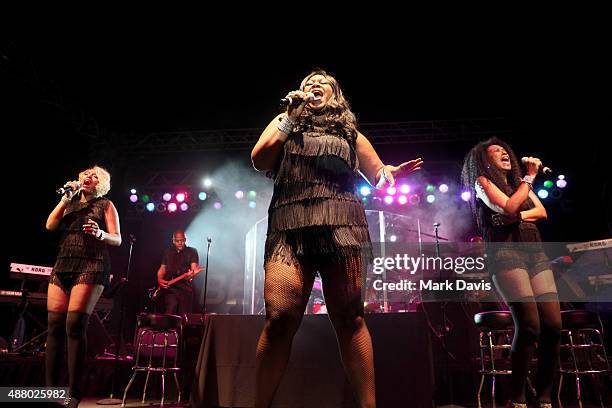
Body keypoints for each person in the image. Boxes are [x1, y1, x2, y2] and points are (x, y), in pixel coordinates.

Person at [251, 69, 423, 408]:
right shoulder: (285, 120)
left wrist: (389, 174)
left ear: (336, 94)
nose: (313, 85)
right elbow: (260, 160)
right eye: (307, 83)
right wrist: (288, 117)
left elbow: (377, 174)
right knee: (280, 318)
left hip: (342, 225)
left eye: (322, 83)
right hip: (290, 225)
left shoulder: (350, 132)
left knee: (350, 317)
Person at [461, 138, 560, 408]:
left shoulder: (519, 184)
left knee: (552, 325)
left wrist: (514, 213)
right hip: (505, 253)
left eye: (506, 150)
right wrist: (527, 182)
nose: (504, 152)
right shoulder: (482, 182)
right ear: (484, 158)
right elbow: (509, 206)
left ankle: (544, 395)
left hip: (535, 251)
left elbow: (541, 212)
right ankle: (517, 397)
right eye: (496, 151)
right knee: (529, 325)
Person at [45, 165, 122, 407]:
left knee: (74, 326)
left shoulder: (106, 205)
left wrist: (100, 234)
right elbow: (49, 225)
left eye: (95, 176)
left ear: (101, 183)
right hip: (63, 265)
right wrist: (65, 198)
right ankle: (50, 392)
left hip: (92, 265)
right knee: (54, 326)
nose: (89, 177)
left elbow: (117, 238)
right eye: (86, 174)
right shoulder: (69, 201)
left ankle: (74, 392)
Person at [156, 230, 199, 316]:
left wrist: (191, 275)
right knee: (169, 312)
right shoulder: (167, 252)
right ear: (173, 240)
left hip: (185, 289)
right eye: (177, 241)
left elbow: (194, 268)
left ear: (185, 239)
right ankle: (168, 329)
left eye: (182, 240)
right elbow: (162, 269)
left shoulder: (192, 251)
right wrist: (159, 279)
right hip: (171, 289)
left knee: (183, 317)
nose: (180, 243)